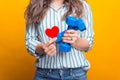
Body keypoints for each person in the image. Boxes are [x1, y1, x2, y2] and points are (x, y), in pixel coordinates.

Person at [25, 0, 94, 80]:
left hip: (76, 74)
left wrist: (75, 41)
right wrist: (43, 48)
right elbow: (30, 40)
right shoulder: (35, 7)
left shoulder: (83, 6)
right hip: (45, 74)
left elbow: (89, 42)